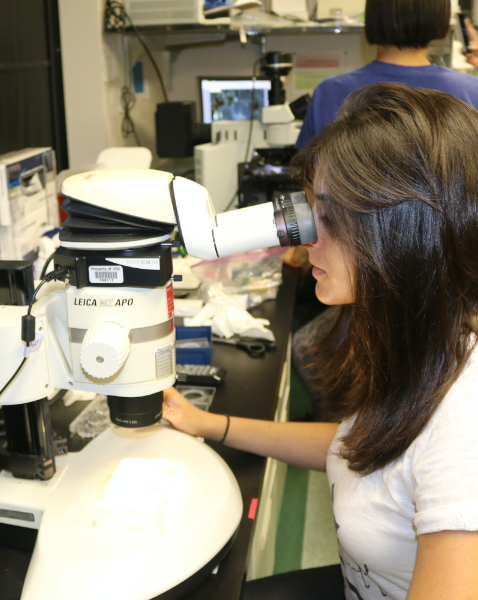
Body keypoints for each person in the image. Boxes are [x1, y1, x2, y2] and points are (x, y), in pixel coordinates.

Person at [163, 83, 478, 600]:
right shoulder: (421, 342)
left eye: (328, 218)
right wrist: (210, 424)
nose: (308, 238)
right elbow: (358, 446)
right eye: (312, 212)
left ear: (402, 234)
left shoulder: (464, 427)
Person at [287, 0, 478, 420]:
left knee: (316, 351)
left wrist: (304, 248)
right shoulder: (469, 91)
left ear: (372, 18)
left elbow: (313, 193)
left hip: (382, 275)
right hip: (449, 286)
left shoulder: (334, 92)